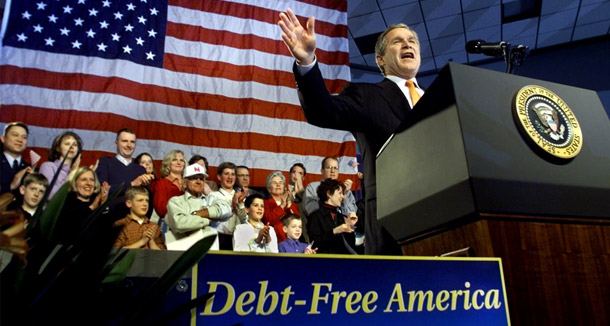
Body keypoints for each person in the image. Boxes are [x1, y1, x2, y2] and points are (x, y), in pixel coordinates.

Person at [279, 10, 423, 254]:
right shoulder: (367, 95)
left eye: (412, 41)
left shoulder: (440, 98)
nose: (407, 43)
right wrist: (306, 62)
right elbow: (322, 111)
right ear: (380, 59)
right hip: (394, 221)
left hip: (448, 213)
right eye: (397, 41)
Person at [165, 163, 232, 250]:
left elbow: (227, 210)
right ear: (185, 182)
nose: (198, 181)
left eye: (201, 179)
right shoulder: (176, 201)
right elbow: (180, 223)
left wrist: (201, 213)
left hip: (210, 251)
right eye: (193, 178)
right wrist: (208, 220)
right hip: (185, 251)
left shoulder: (210, 199)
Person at [96, 129, 152, 219]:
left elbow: (147, 200)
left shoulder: (141, 170)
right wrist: (131, 184)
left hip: (135, 223)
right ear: (116, 143)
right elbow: (101, 190)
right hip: (109, 220)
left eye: (132, 142)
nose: (129, 145)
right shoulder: (105, 163)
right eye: (124, 141)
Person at [56, 167, 110, 244]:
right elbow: (72, 229)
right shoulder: (65, 203)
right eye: (83, 180)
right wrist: (92, 207)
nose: (88, 183)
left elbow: (106, 232)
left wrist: (104, 205)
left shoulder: (98, 202)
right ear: (74, 183)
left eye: (92, 180)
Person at [307, 178, 358, 254]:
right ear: (329, 194)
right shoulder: (315, 216)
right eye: (340, 193)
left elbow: (351, 245)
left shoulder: (341, 217)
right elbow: (315, 243)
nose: (343, 197)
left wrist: (350, 225)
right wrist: (335, 231)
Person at [208, 162, 248, 250]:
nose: (230, 177)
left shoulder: (242, 197)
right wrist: (232, 206)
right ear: (219, 177)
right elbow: (212, 217)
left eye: (233, 174)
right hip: (219, 238)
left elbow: (245, 220)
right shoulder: (213, 196)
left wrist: (240, 203)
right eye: (226, 174)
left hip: (239, 239)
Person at [39, 131, 83, 199]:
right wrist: (71, 176)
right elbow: (50, 195)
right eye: (67, 144)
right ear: (58, 148)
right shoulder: (48, 166)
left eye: (75, 145)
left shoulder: (79, 174)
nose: (72, 147)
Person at [262, 171, 299, 243]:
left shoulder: (292, 205)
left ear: (284, 188)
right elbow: (268, 221)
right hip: (273, 241)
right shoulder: (265, 203)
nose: (278, 184)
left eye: (280, 183)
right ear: (269, 189)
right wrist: (281, 206)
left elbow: (297, 222)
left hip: (292, 242)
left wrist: (288, 205)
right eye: (274, 183)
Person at [150, 150, 185, 219]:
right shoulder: (161, 184)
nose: (178, 163)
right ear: (168, 163)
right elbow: (161, 210)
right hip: (169, 223)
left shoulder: (189, 183)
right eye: (174, 160)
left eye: (181, 160)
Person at [1, 122, 32, 195]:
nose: (20, 140)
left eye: (24, 137)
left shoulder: (29, 169)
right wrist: (11, 186)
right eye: (15, 135)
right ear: (3, 139)